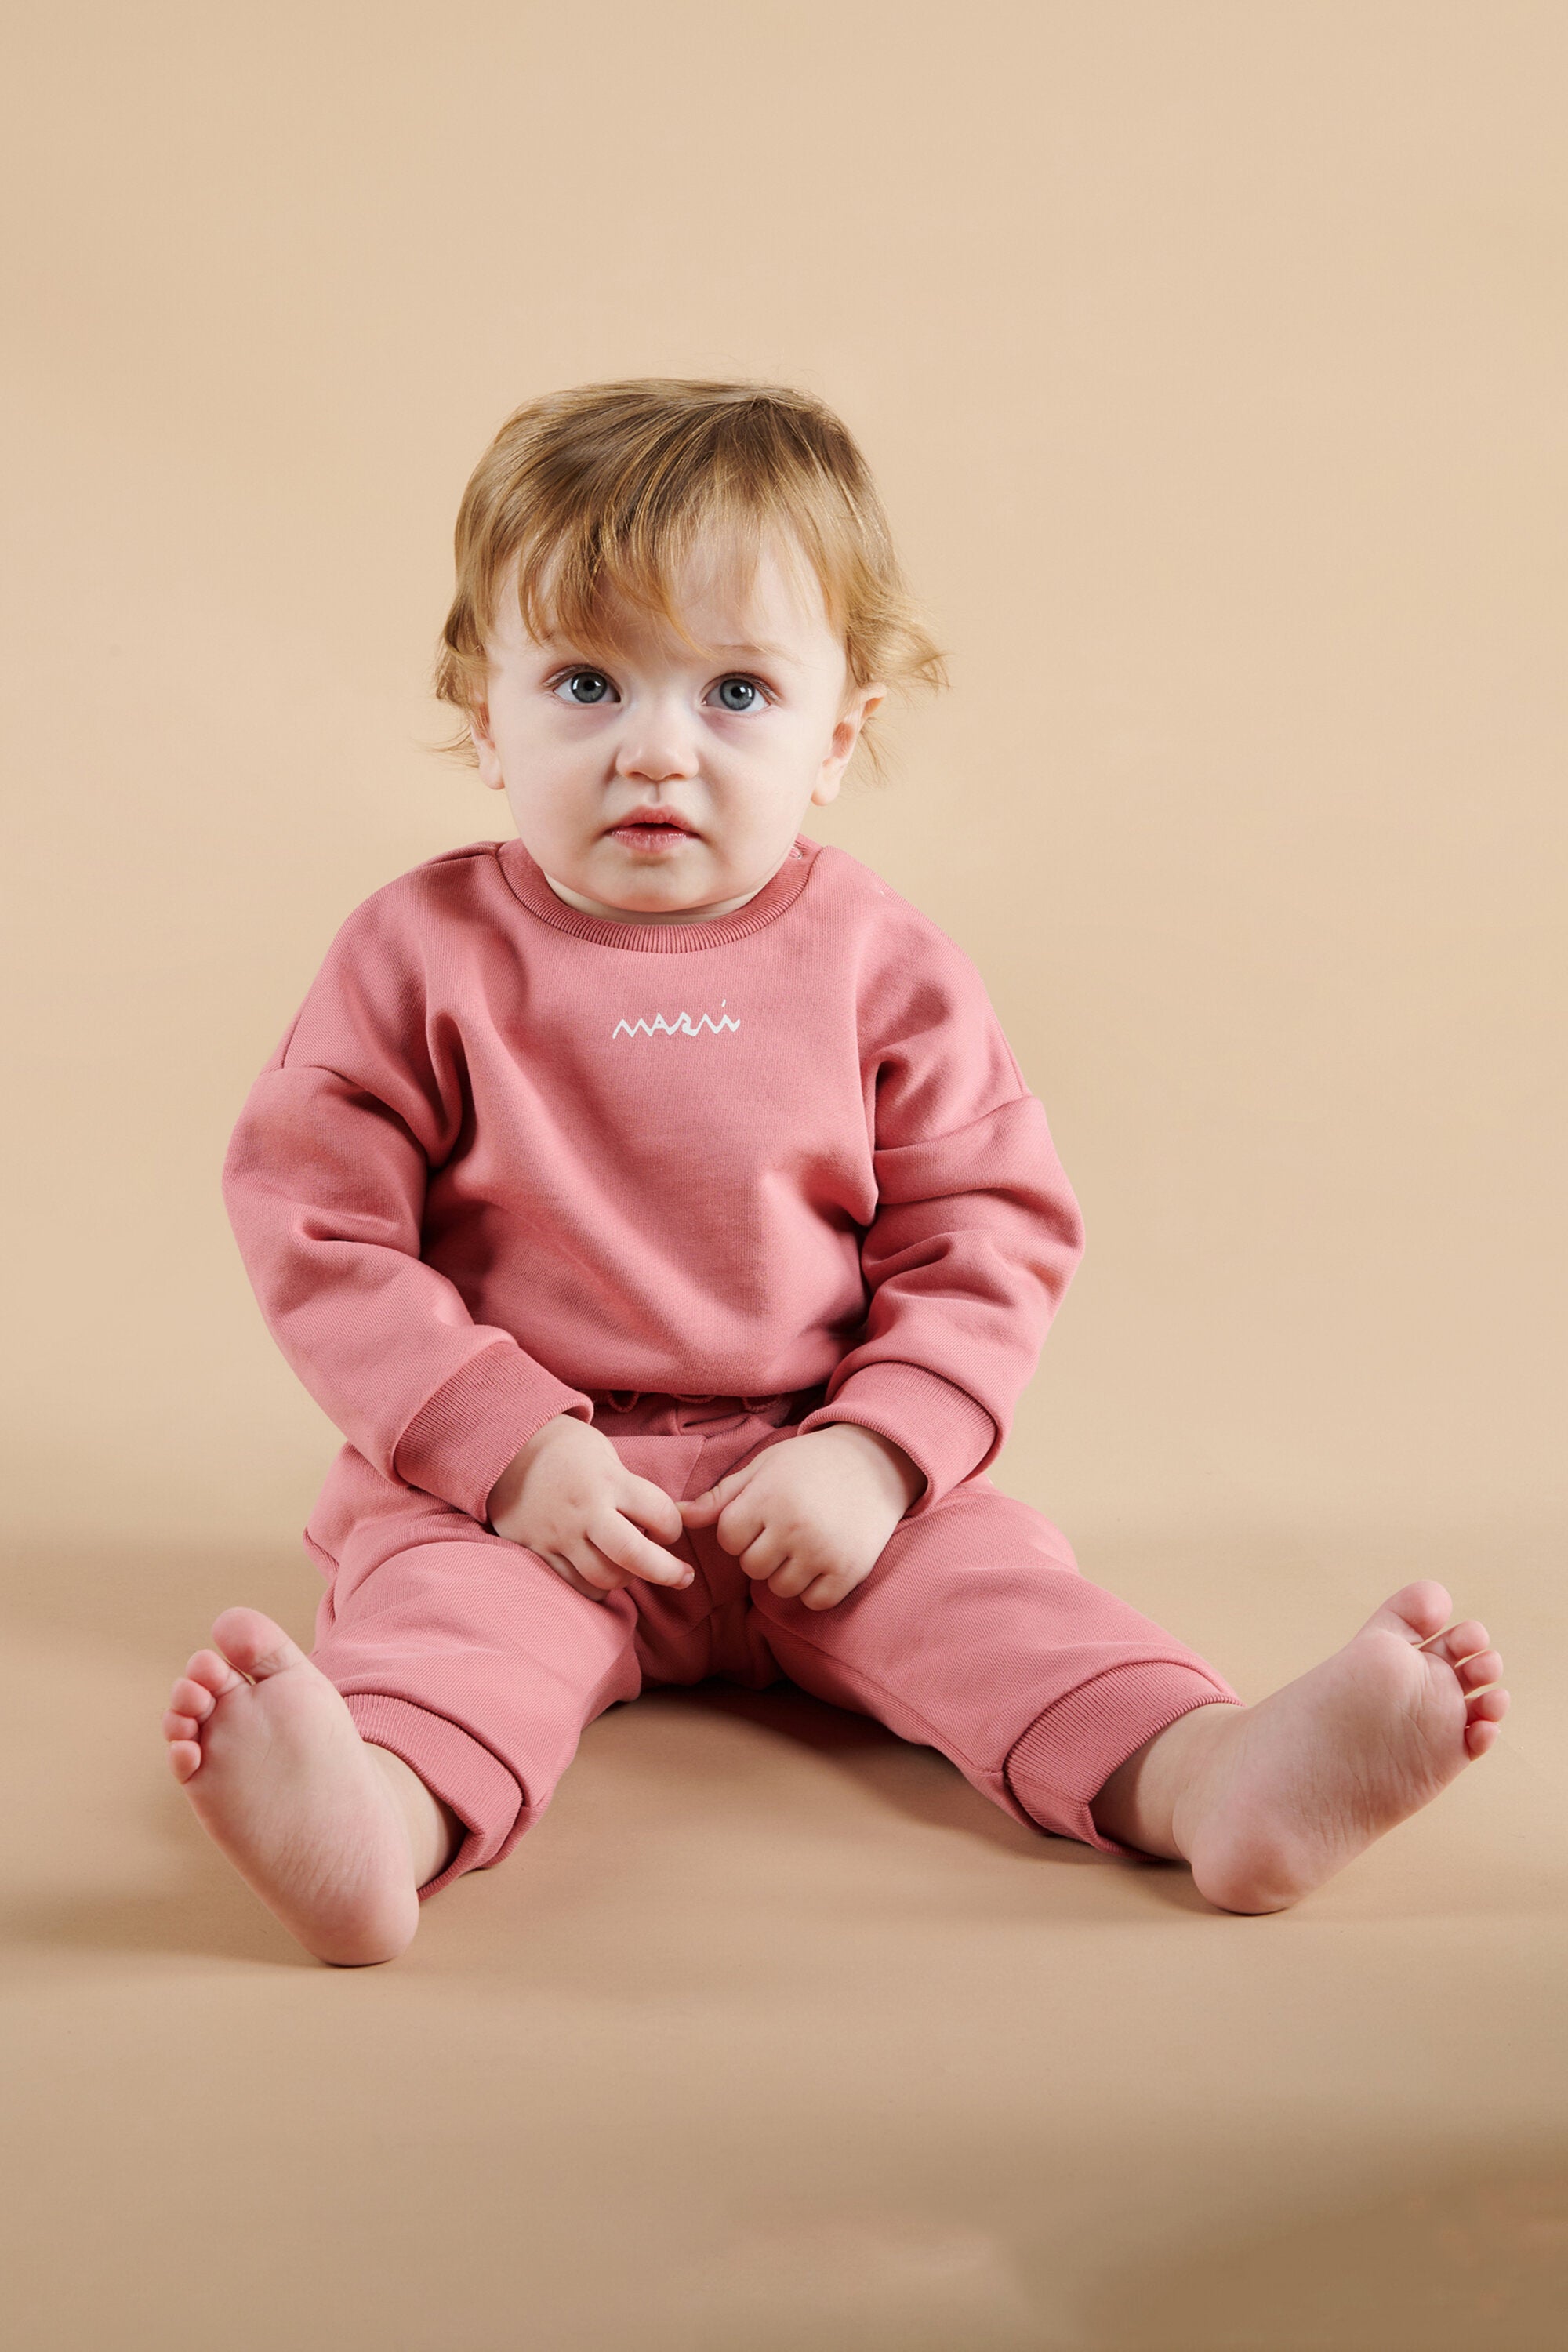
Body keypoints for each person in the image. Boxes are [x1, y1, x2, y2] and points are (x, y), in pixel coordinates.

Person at [162, 379, 1509, 1965]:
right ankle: (374, 1818)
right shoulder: (417, 956)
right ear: (484, 712)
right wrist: (507, 1450)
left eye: (735, 693)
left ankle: (1211, 1777)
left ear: (838, 736)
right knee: (454, 1634)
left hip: (816, 1475)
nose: (655, 749)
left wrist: (876, 1458)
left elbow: (985, 1236)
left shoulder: (883, 964)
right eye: (586, 683)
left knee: (1003, 1609)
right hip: (523, 1493)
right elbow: (319, 1230)